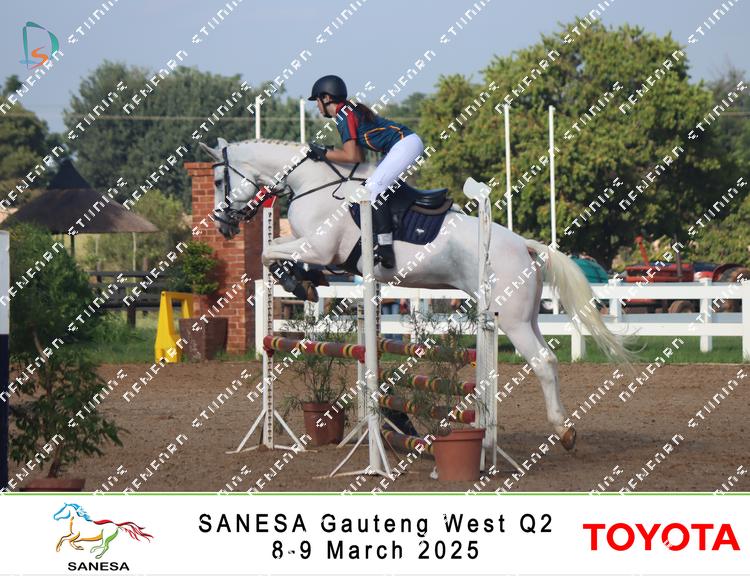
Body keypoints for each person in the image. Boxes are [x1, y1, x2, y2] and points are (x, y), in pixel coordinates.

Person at [306, 74, 424, 269]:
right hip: (403, 144)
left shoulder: (344, 115)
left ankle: (385, 246)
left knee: (371, 190)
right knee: (370, 184)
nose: (317, 106)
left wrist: (323, 153)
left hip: (405, 144)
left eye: (317, 100)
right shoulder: (347, 113)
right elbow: (359, 157)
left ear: (326, 98)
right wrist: (327, 152)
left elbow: (351, 156)